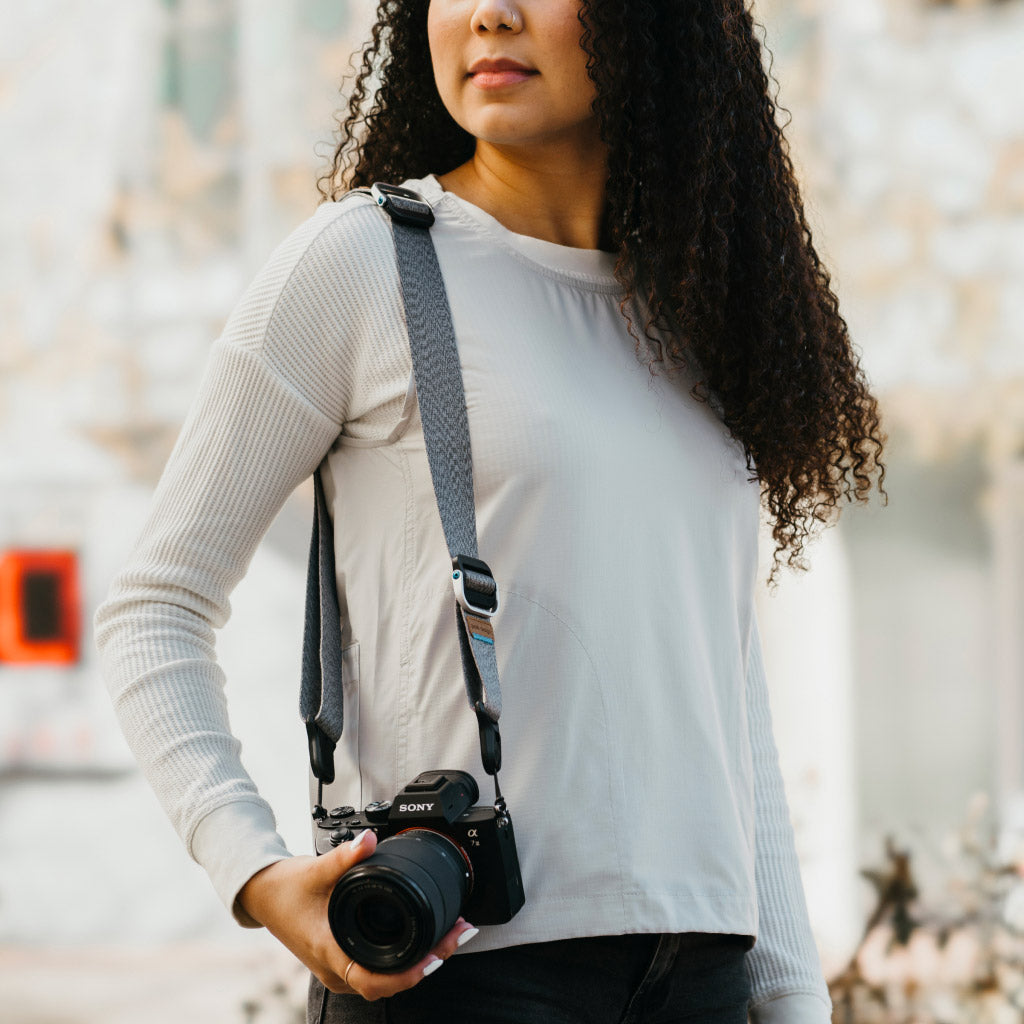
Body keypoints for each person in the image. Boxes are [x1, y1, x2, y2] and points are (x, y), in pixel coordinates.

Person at [96, 1, 886, 1022]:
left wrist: (789, 994)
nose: (489, 14)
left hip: (702, 975)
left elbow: (722, 694)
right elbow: (155, 603)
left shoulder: (698, 312)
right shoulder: (360, 263)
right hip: (466, 975)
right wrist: (254, 872)